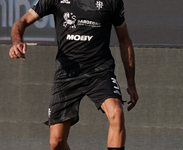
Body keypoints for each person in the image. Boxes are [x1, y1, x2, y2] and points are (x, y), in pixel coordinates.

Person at [9, 0, 139, 149]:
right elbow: (22, 21)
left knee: (117, 112)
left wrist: (131, 83)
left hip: (100, 72)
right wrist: (17, 42)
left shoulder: (112, 2)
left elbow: (124, 40)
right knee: (56, 142)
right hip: (67, 75)